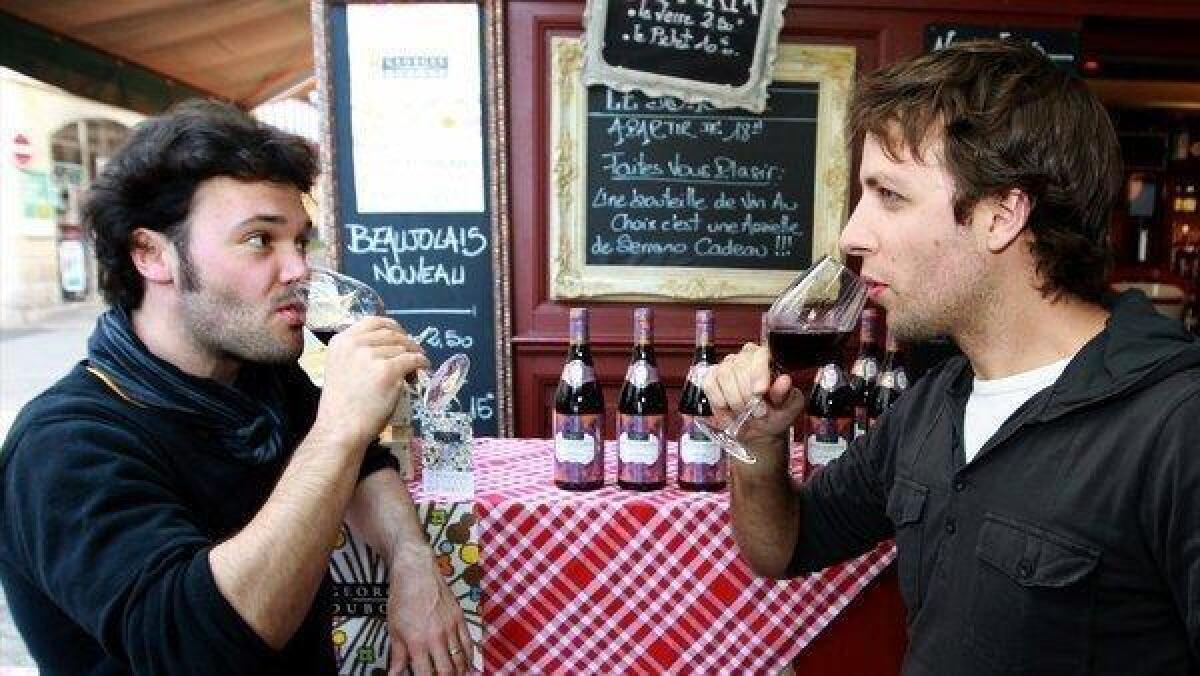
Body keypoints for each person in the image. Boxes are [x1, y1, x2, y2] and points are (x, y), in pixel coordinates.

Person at [704, 39, 1199, 675]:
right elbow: (784, 547)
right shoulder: (935, 400)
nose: (854, 235)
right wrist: (760, 446)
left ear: (1002, 216)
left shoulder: (1175, 424)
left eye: (890, 194)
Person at [0, 101, 472, 676]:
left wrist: (411, 560)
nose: (298, 268)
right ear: (151, 254)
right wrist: (338, 428)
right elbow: (200, 651)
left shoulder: (260, 377)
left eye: (301, 241)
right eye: (259, 241)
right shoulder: (66, 445)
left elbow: (367, 466)